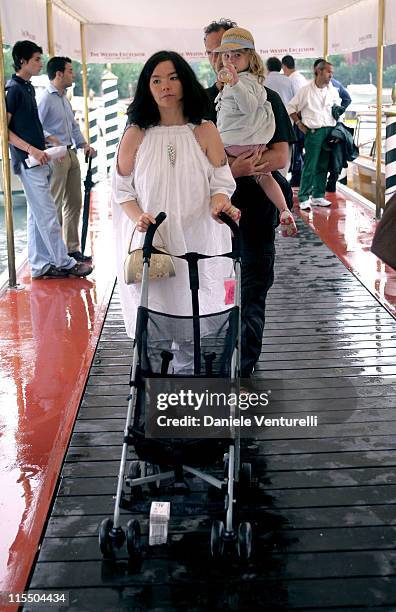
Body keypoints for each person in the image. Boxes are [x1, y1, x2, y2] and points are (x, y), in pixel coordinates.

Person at [111, 50, 240, 356]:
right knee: (154, 308)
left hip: (198, 234)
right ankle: (155, 382)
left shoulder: (205, 130)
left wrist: (219, 203)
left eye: (172, 78)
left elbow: (221, 182)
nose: (165, 86)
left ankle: (185, 379)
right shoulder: (136, 134)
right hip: (153, 239)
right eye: (156, 80)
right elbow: (121, 189)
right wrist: (137, 216)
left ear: (185, 82)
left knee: (193, 305)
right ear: (147, 87)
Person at [204, 19, 296, 378]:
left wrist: (237, 166)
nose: (221, 59)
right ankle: (217, 355)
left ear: (246, 56)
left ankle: (244, 365)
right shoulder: (206, 103)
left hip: (256, 214)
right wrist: (234, 169)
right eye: (215, 52)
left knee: (253, 289)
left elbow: (281, 158)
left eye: (230, 53)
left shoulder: (266, 96)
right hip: (213, 217)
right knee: (215, 287)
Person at [5, 40, 92, 279]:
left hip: (40, 158)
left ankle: (40, 265)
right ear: (22, 61)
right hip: (29, 160)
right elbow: (4, 129)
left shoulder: (28, 88)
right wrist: (31, 149)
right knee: (48, 214)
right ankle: (64, 262)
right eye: (36, 59)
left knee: (36, 218)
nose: (40, 63)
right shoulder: (13, 90)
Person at [214, 28, 297, 237]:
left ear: (250, 57)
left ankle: (231, 208)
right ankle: (284, 209)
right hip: (252, 146)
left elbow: (248, 106)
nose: (230, 60)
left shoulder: (248, 83)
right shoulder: (228, 86)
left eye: (237, 55)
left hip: (234, 143)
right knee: (264, 176)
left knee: (217, 167)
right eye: (226, 55)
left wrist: (234, 83)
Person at [38, 56, 96, 262]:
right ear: (59, 74)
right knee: (55, 204)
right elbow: (37, 126)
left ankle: (72, 249)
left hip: (70, 153)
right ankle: (57, 253)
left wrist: (84, 145)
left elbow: (73, 127)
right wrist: (49, 138)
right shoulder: (46, 98)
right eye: (70, 71)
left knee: (74, 202)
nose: (74, 75)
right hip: (56, 156)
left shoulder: (64, 98)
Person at [287, 60, 342, 210]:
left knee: (323, 165)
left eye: (332, 72)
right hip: (314, 131)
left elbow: (338, 108)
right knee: (310, 164)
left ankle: (318, 195)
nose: (331, 75)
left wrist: (338, 127)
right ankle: (304, 196)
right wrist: (299, 123)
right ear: (319, 71)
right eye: (329, 72)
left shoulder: (332, 90)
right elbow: (290, 107)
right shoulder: (306, 91)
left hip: (329, 130)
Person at [313, 58, 352, 192]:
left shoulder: (327, 86)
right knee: (335, 155)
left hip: (326, 126)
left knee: (322, 157)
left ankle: (323, 185)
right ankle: (330, 183)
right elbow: (347, 99)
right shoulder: (337, 85)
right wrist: (341, 110)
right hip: (335, 127)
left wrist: (339, 110)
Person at [281, 54, 307, 188]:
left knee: (296, 152)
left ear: (284, 66)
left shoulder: (292, 80)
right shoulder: (300, 77)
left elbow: (297, 103)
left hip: (298, 120)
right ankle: (298, 178)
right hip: (303, 119)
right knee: (299, 151)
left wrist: (297, 121)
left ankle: (297, 179)